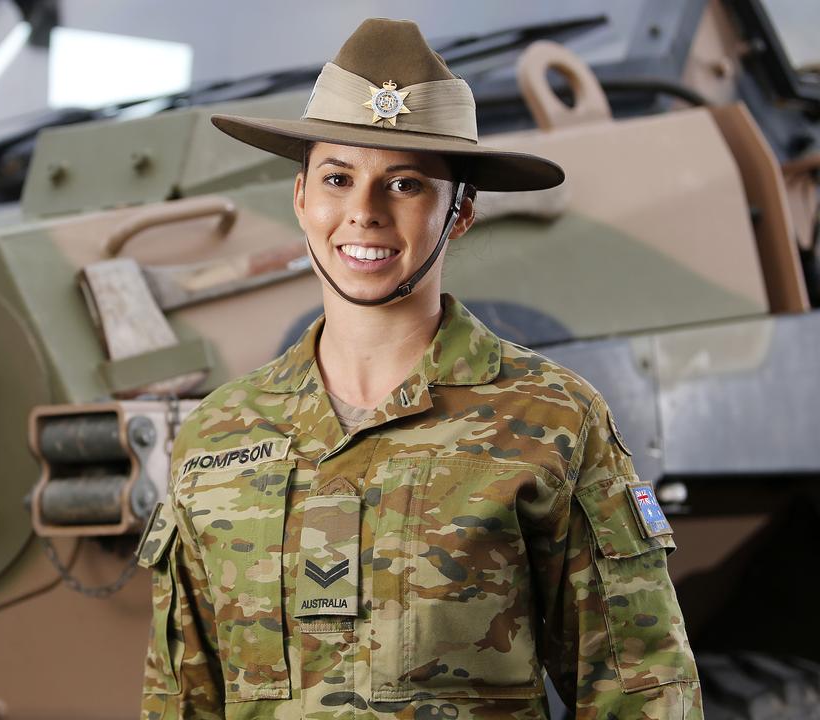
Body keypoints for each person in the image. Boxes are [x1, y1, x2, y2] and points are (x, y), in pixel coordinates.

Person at [135, 18, 701, 720]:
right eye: (338, 178)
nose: (364, 213)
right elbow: (178, 701)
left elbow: (640, 691)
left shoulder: (551, 422)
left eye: (404, 184)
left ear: (459, 213)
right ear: (302, 198)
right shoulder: (217, 438)